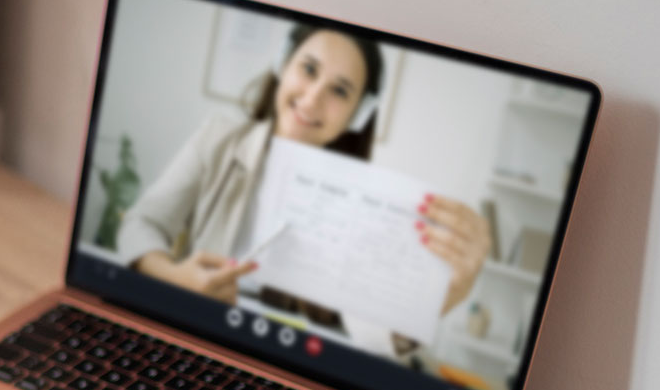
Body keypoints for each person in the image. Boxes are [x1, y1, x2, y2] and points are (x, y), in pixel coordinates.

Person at [115, 21, 491, 329]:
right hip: (196, 331)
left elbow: (362, 332)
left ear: (358, 115)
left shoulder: (367, 204)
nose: (312, 98)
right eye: (309, 69)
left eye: (339, 91)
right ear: (283, 65)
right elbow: (141, 223)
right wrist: (175, 277)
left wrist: (439, 300)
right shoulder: (217, 139)